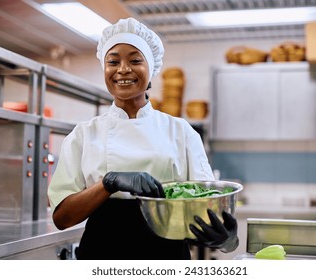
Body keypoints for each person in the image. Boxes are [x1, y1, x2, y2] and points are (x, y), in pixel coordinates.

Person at [47, 17, 238, 260]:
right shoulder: (83, 135)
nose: (123, 69)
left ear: (151, 70)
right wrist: (108, 183)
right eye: (113, 61)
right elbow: (62, 218)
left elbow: (208, 208)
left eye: (135, 60)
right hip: (101, 256)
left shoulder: (181, 132)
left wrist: (228, 240)